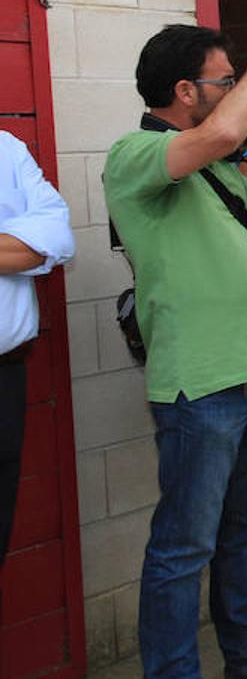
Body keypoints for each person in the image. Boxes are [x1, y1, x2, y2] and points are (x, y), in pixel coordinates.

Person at [103, 25, 247, 678]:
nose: (238, 89)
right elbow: (219, 134)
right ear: (184, 91)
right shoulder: (133, 152)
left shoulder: (219, 171)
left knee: (246, 530)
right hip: (200, 382)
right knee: (184, 546)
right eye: (226, 80)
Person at [0, 132, 74, 570]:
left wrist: (28, 246)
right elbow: (25, 246)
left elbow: (55, 237)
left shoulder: (5, 148)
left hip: (5, 378)